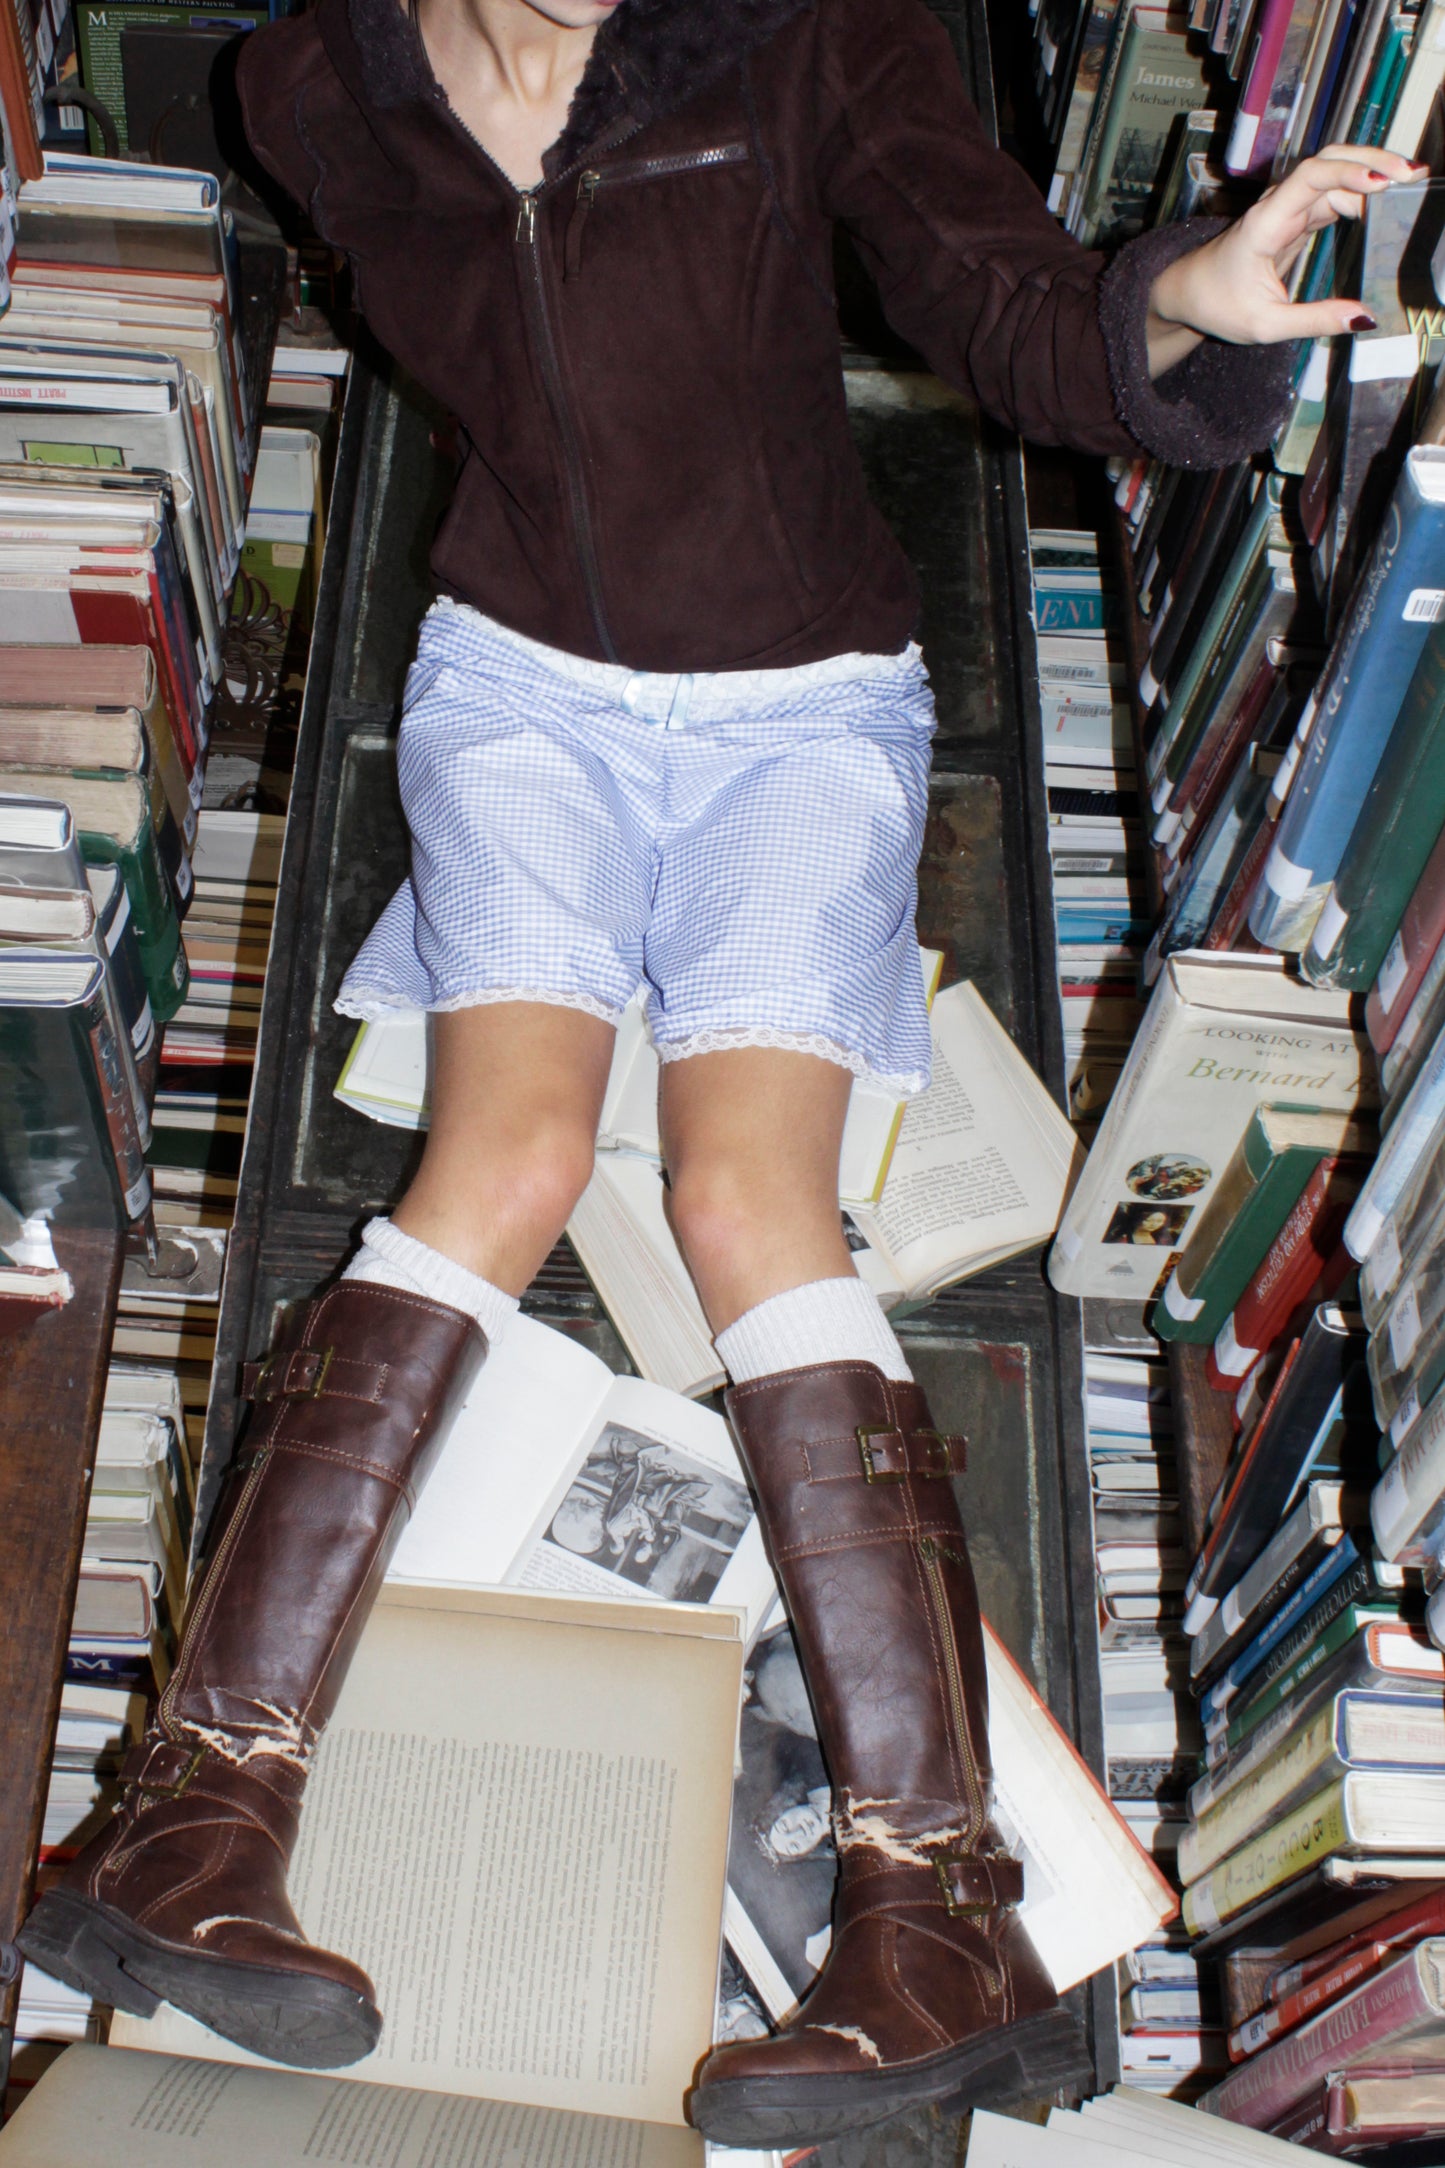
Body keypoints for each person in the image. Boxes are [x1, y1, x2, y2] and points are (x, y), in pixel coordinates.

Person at [19, 0, 1418, 2142]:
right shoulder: (308, 91)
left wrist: (1181, 306)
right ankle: (187, 1823)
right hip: (516, 688)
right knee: (495, 1164)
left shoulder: (805, 40)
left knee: (751, 1208)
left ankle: (930, 1906)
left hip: (800, 701)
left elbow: (992, 296)